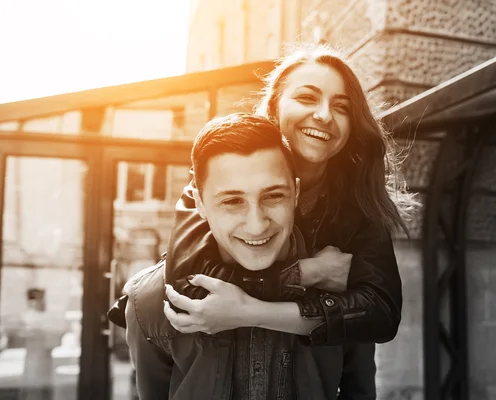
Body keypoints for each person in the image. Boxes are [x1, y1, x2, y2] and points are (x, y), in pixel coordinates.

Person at [162, 43, 418, 393]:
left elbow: (380, 313)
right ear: (274, 107)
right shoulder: (221, 175)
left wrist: (251, 310)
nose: (325, 115)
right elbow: (187, 285)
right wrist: (305, 273)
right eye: (308, 98)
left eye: (341, 107)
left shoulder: (358, 199)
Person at [125, 113, 367, 399]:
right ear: (199, 203)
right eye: (232, 201)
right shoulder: (150, 300)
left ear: (296, 193)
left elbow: (360, 391)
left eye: (273, 196)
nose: (256, 224)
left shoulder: (343, 289)